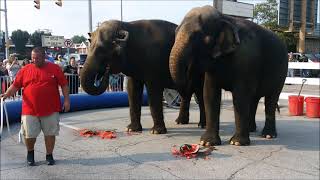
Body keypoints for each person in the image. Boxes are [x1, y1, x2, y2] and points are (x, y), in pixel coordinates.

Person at [0, 47, 70, 166]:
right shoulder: (25, 69)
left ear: (44, 57)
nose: (34, 60)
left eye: (37, 58)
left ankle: (49, 155)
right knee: (29, 135)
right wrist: (6, 94)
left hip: (51, 109)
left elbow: (64, 85)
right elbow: (16, 85)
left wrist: (67, 101)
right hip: (29, 109)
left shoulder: (55, 68)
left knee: (50, 134)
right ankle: (30, 153)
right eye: (32, 58)